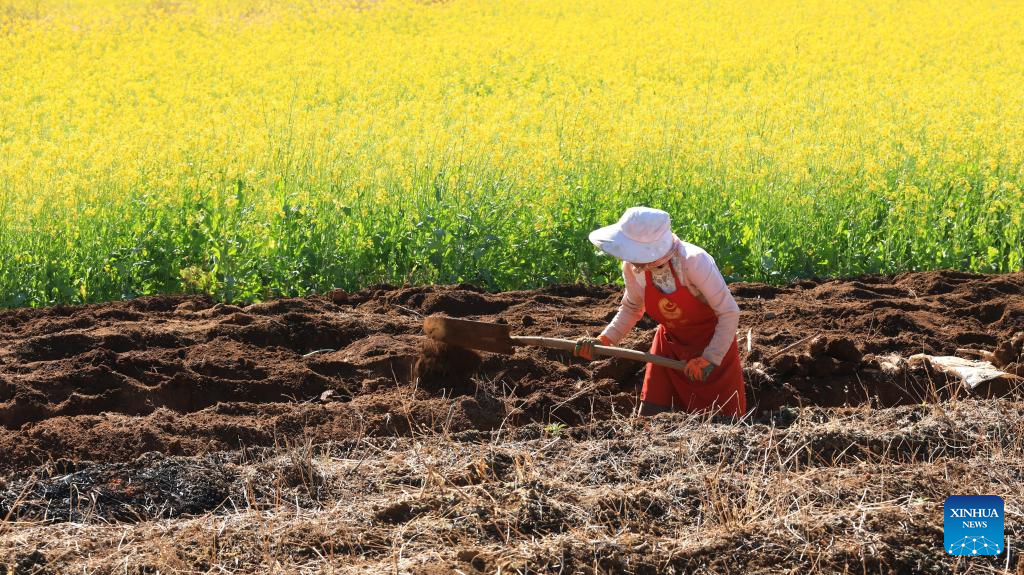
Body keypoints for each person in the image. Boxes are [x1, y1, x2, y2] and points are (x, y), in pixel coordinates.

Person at [574, 206, 746, 417]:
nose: (631, 260)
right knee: (653, 416)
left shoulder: (693, 261)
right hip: (669, 348)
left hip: (713, 346)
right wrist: (605, 340)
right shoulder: (633, 268)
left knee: (722, 421)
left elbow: (729, 312)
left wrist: (710, 357)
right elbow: (632, 307)